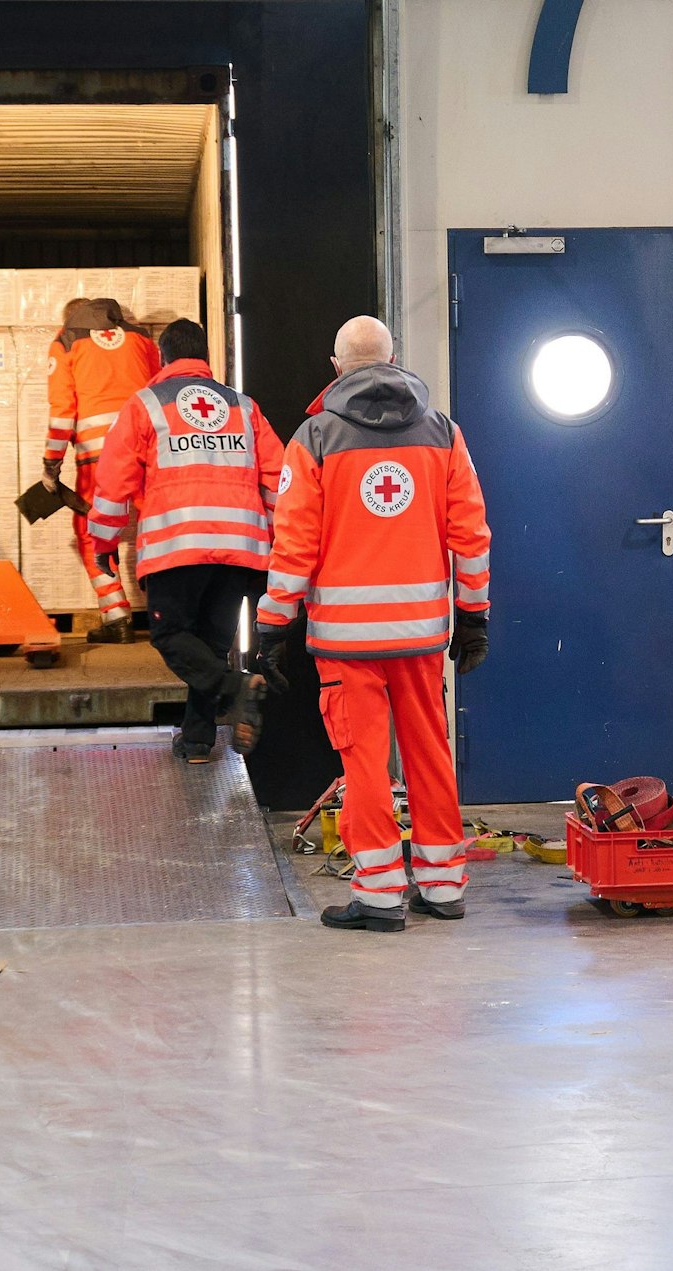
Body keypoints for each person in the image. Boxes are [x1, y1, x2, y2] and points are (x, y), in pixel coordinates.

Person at [255, 315, 492, 933]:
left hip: (346, 639)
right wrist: (473, 615)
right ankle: (442, 885)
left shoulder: (314, 437)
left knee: (364, 764)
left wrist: (273, 625)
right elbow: (470, 533)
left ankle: (381, 896)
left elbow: (294, 544)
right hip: (420, 635)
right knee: (430, 754)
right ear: (394, 359)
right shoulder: (442, 433)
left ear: (337, 367)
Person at [91, 318, 284, 761]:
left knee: (171, 634)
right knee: (211, 646)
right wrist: (273, 540)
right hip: (240, 550)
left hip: (175, 546)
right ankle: (197, 741)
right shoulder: (243, 407)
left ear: (163, 358)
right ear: (205, 358)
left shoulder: (145, 404)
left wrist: (103, 543)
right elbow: (277, 479)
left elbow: (114, 483)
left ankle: (235, 688)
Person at [44, 297, 162, 640]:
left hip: (98, 456)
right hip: (147, 449)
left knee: (92, 532)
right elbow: (159, 389)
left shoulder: (66, 340)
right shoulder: (140, 337)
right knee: (157, 527)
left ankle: (117, 618)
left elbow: (62, 411)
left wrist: (51, 464)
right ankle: (165, 614)